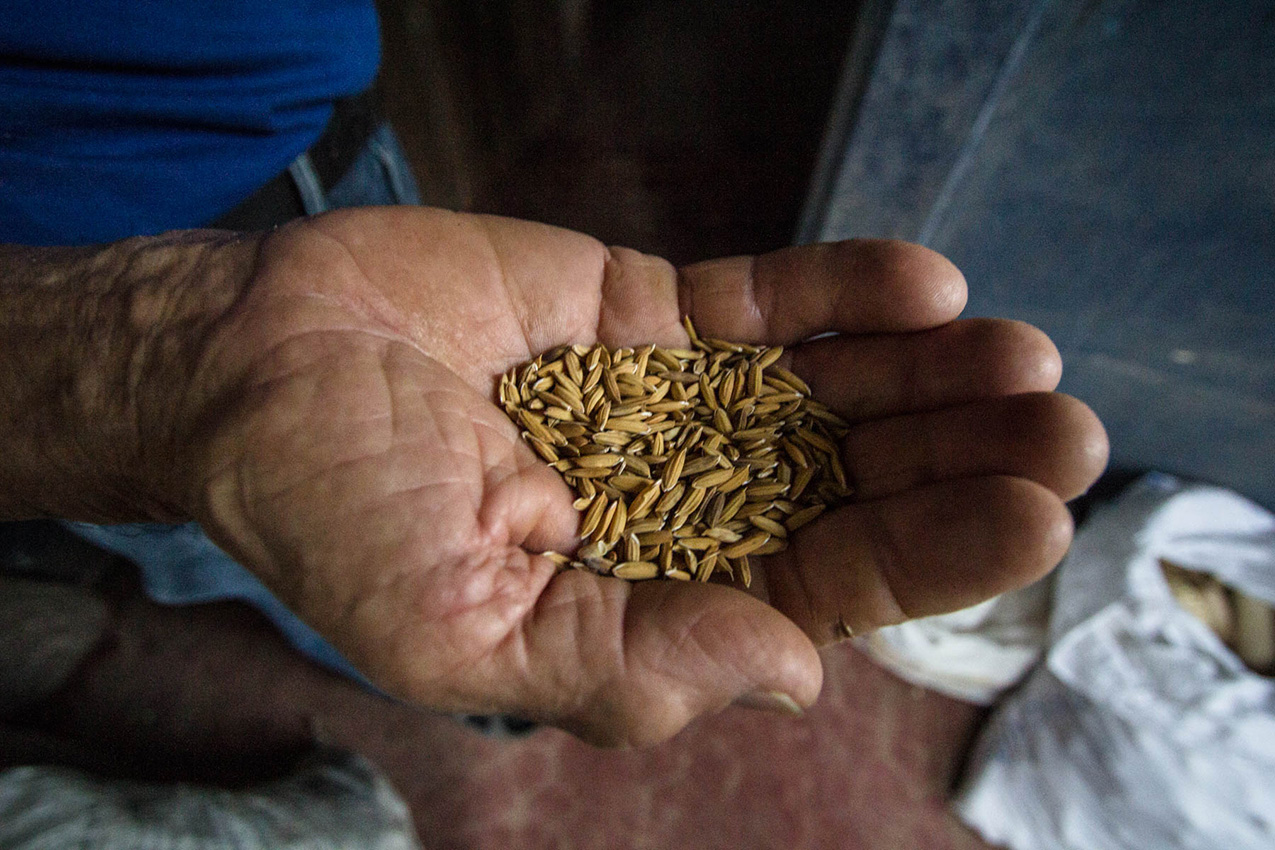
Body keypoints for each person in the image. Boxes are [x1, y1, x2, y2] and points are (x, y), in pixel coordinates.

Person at [1, 1, 1108, 747]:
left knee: (302, 527)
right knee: (243, 543)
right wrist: (156, 367)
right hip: (56, 276)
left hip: (308, 136)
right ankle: (447, 686)